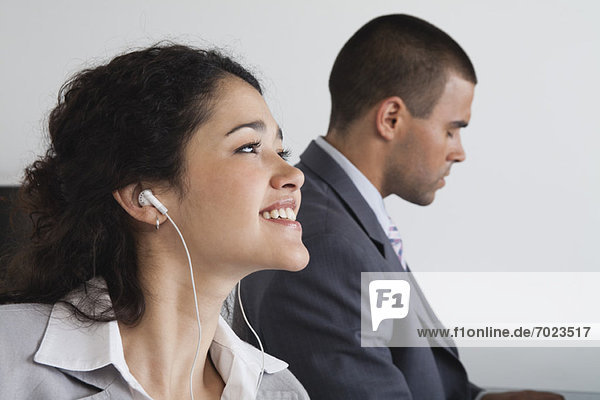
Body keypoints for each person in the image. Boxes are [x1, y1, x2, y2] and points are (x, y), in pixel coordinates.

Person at [237, 15, 563, 400]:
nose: (459, 152)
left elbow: (397, 362)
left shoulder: (346, 218)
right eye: (451, 129)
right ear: (391, 118)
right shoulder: (324, 246)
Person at [0, 44, 310, 400]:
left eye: (281, 151)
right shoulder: (8, 358)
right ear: (143, 198)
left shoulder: (281, 392)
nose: (293, 174)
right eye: (248, 147)